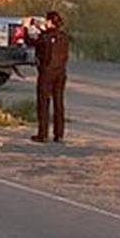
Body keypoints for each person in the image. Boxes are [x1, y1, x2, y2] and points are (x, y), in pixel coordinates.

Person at [28, 11, 70, 143]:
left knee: (43, 103)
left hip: (46, 72)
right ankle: (59, 134)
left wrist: (27, 27)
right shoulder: (64, 37)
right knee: (59, 104)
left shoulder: (45, 36)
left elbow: (31, 41)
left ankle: (43, 133)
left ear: (50, 22)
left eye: (47, 20)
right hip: (61, 73)